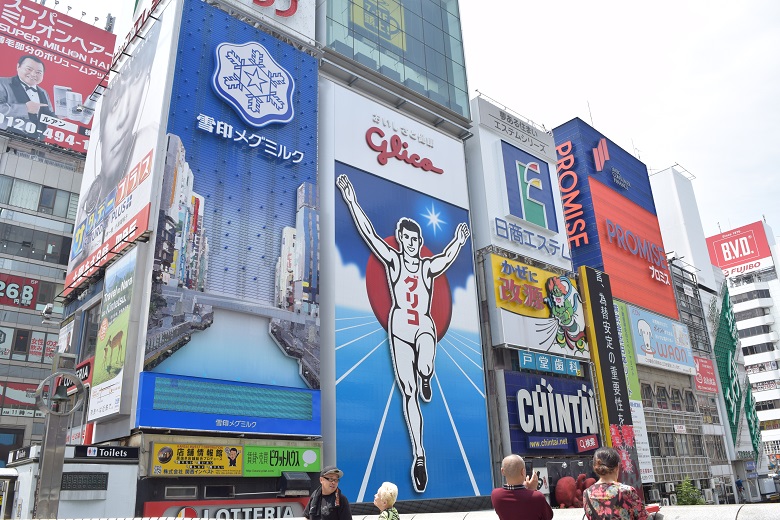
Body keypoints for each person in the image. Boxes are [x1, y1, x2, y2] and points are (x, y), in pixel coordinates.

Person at [337, 174, 471, 493]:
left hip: (423, 325)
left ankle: (427, 373)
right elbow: (368, 234)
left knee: (425, 361)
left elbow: (446, 258)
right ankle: (419, 455)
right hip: (399, 328)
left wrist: (460, 240)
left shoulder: (425, 267)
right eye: (406, 239)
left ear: (419, 241)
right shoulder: (394, 262)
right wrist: (351, 199)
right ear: (401, 239)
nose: (411, 244)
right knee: (408, 394)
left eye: (415, 240)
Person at [583, 447, 647, 520]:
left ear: (595, 467)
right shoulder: (626, 491)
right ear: (617, 467)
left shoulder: (587, 493)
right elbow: (643, 517)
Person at [0, 55, 55, 140]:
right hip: (6, 137)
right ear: (18, 67)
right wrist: (25, 108)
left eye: (38, 72)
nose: (33, 74)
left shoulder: (43, 92)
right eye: (29, 69)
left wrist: (58, 117)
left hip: (37, 143)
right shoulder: (3, 82)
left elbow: (47, 115)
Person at [492, 454, 552, 520]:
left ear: (502, 471)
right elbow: (548, 516)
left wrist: (528, 490)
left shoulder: (495, 495)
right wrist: (532, 490)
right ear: (523, 471)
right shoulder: (537, 497)